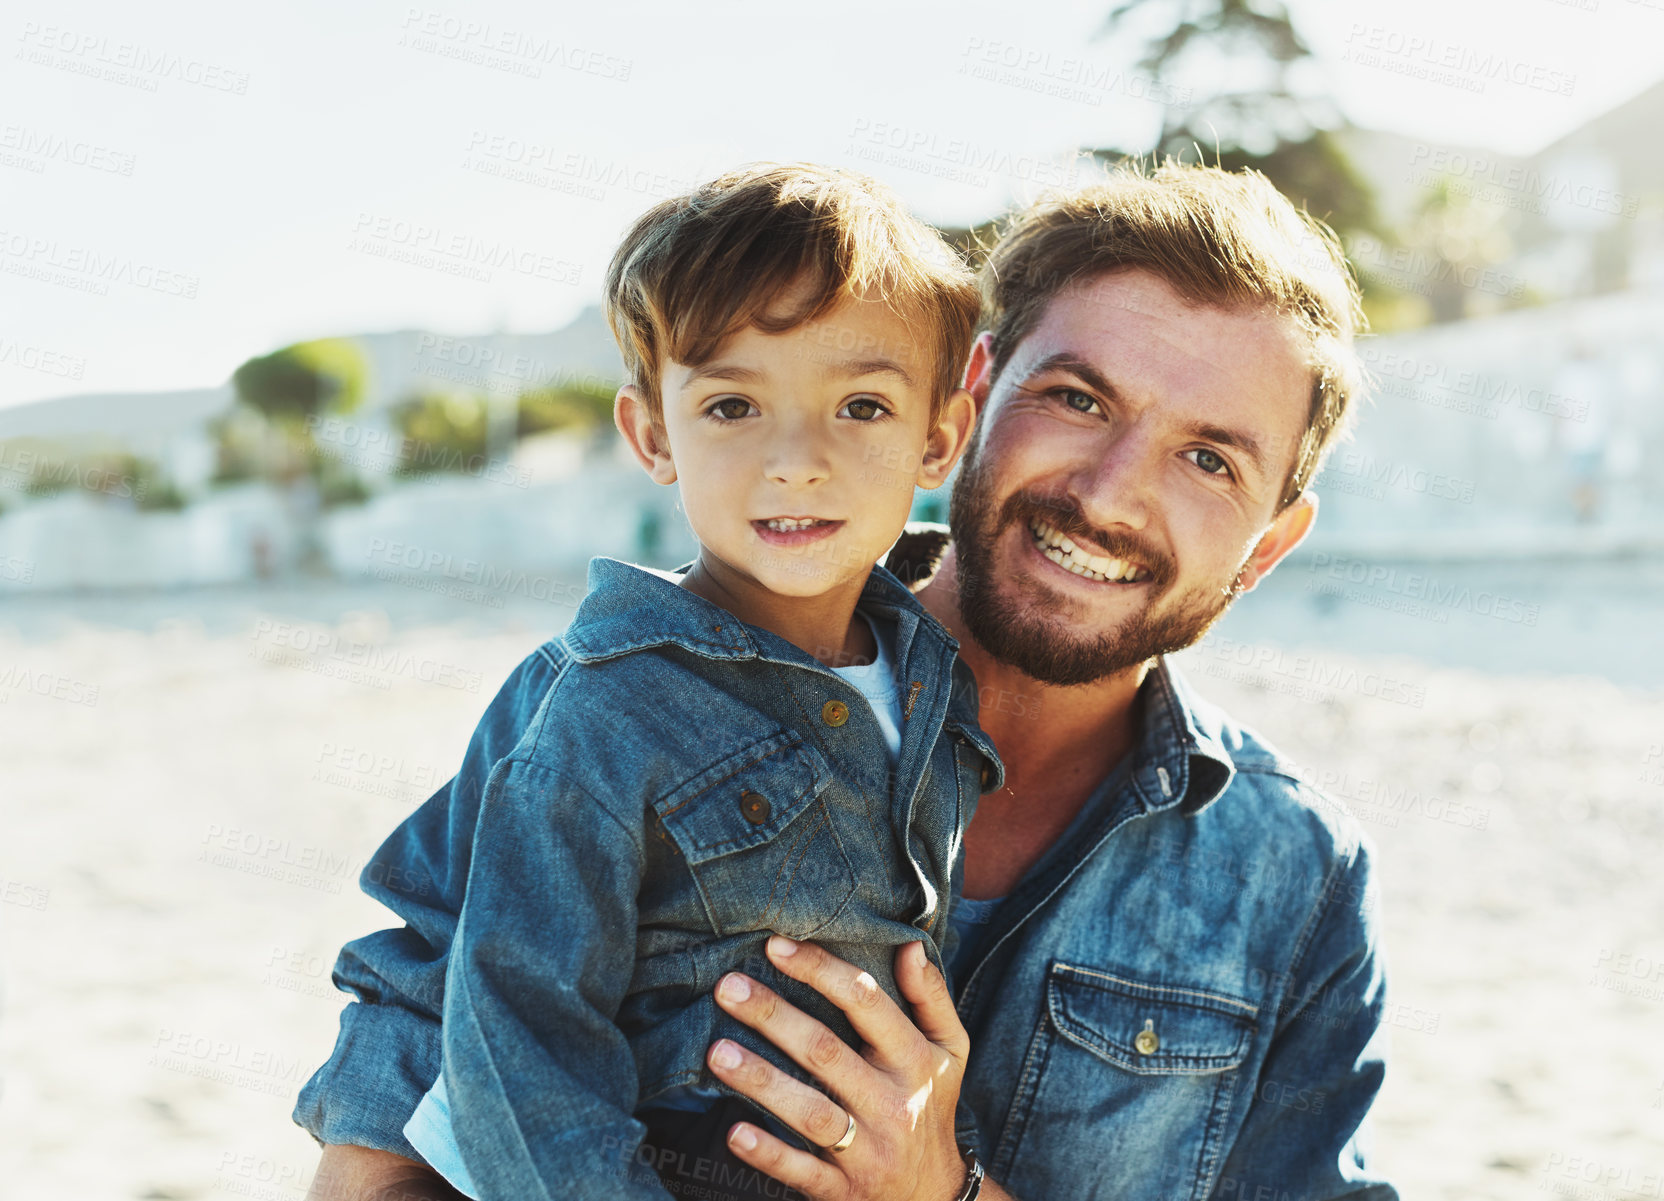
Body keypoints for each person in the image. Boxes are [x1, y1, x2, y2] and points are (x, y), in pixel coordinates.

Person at [301, 163, 1399, 1201]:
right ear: (968, 402)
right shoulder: (604, 706)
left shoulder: (1294, 879)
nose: (1110, 497)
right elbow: (399, 1119)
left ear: (1266, 545)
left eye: (1209, 460)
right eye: (1075, 399)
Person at [292, 162, 1002, 1201]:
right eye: (731, 406)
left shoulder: (932, 677)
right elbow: (519, 1042)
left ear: (937, 436)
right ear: (651, 435)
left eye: (858, 405)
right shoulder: (603, 708)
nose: (795, 459)